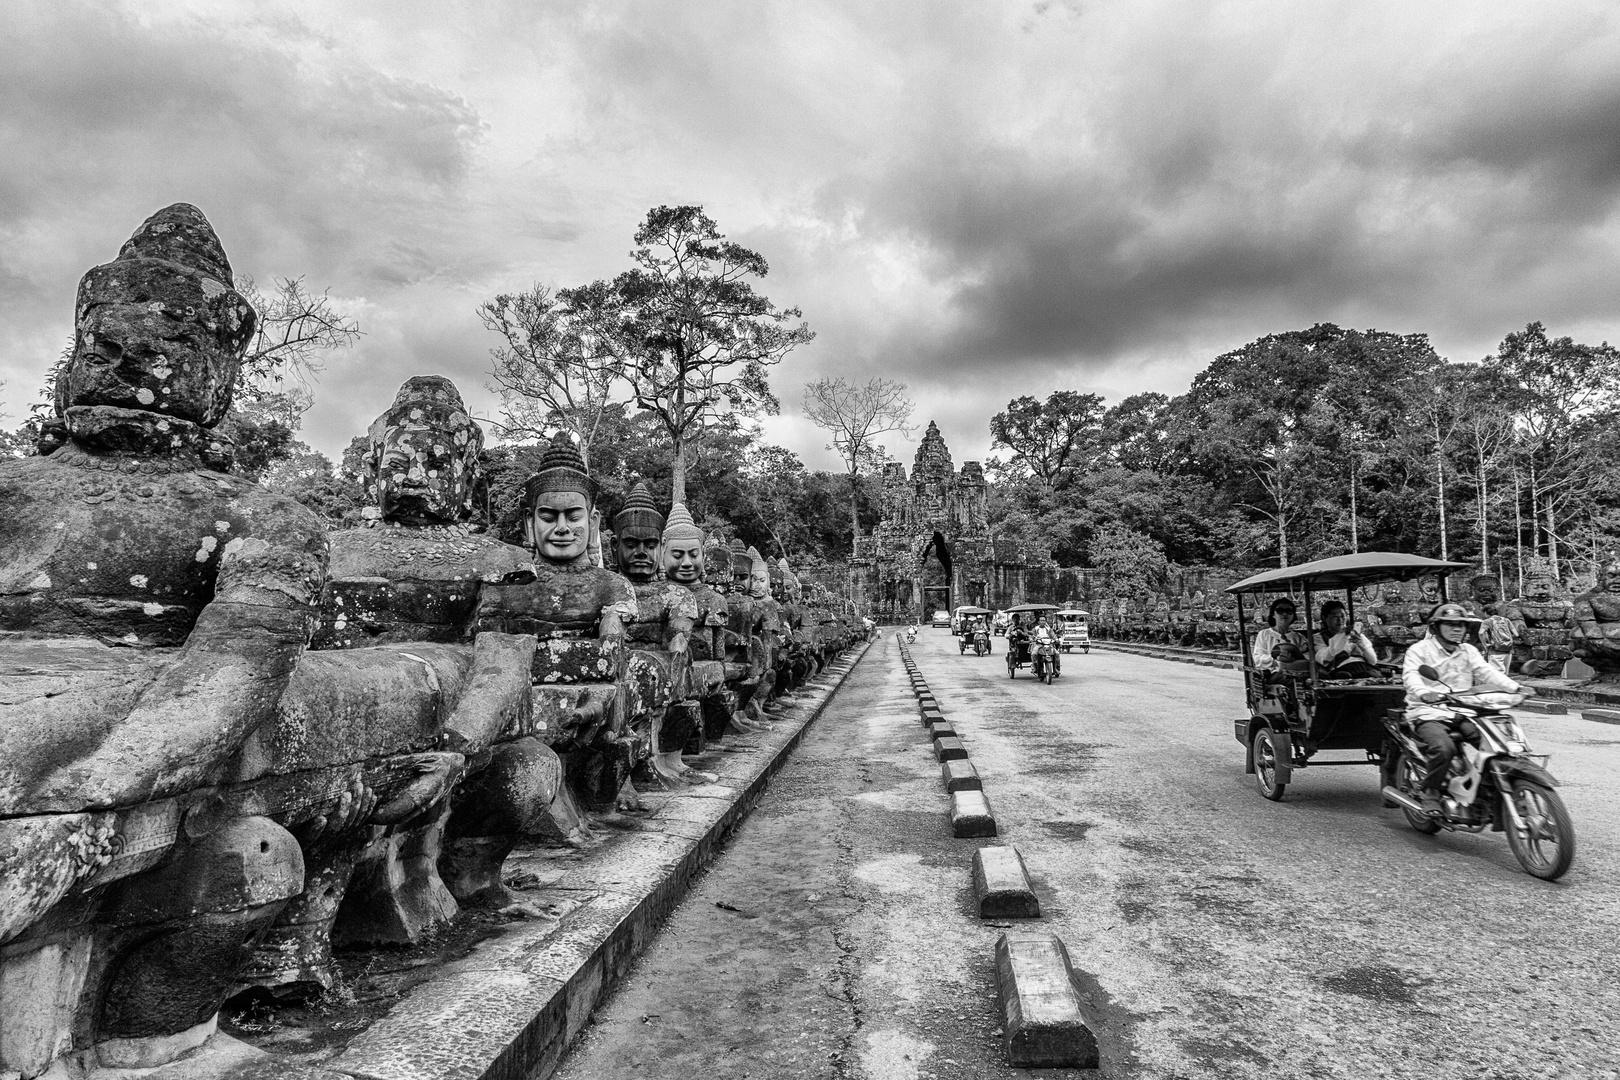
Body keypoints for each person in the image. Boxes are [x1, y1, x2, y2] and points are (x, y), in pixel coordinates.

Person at [1402, 602, 1534, 812]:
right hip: (1428, 713)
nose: (1457, 629)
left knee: (1499, 744)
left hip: (1464, 711)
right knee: (1444, 749)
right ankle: (1431, 792)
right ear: (1436, 627)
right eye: (1450, 624)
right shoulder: (1419, 650)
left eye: (1461, 625)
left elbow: (1487, 672)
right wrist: (1423, 692)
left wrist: (1516, 687)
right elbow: (1411, 676)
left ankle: (1491, 788)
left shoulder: (1468, 651)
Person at [1314, 599, 1380, 678]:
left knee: (1373, 675)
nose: (1340, 620)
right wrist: (1341, 635)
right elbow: (1324, 658)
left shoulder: (1355, 634)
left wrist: (1361, 643)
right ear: (1325, 618)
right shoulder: (1319, 637)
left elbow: (1373, 661)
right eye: (1334, 616)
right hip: (1341, 669)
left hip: (1364, 667)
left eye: (1343, 616)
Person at [1252, 597, 1309, 673]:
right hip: (1273, 675)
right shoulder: (1264, 634)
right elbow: (1257, 659)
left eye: (1289, 611)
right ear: (1273, 614)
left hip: (1297, 673)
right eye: (1280, 611)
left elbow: (1308, 657)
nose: (1285, 614)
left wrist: (1293, 658)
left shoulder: (1298, 637)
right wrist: (1276, 660)